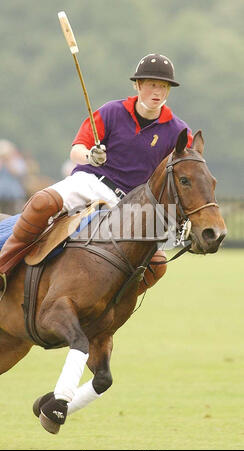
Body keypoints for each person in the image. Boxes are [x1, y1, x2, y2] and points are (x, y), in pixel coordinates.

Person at [0, 53, 193, 293]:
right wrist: (91, 156)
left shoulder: (178, 130)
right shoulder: (112, 111)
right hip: (92, 182)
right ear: (138, 85)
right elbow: (77, 150)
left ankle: (113, 306)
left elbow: (188, 171)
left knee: (158, 264)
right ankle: (2, 268)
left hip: (133, 203)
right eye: (152, 84)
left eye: (164, 86)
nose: (158, 92)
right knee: (42, 202)